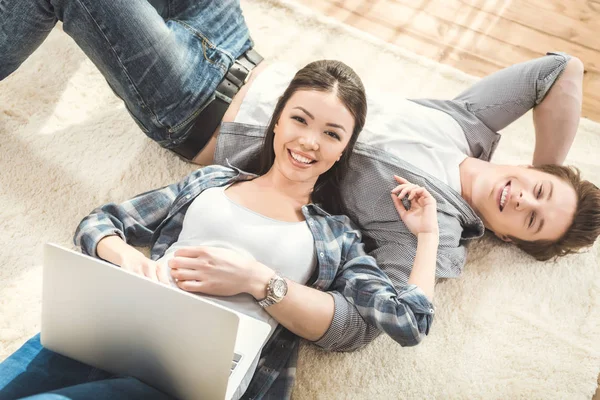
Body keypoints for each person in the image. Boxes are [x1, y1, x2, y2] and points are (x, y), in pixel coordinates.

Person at [2, 0, 599, 360]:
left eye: (529, 219)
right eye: (539, 188)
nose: (520, 197)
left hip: (198, 104)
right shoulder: (473, 123)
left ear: (511, 237)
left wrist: (418, 243)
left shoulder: (434, 228)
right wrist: (551, 166)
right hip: (237, 47)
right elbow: (560, 68)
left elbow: (385, 320)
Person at [0, 60, 439, 400]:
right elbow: (99, 224)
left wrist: (427, 235)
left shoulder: (336, 237)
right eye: (300, 120)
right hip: (115, 328)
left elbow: (409, 320)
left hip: (193, 378)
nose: (309, 141)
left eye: (331, 133)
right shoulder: (210, 181)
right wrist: (129, 257)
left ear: (344, 150)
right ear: (277, 121)